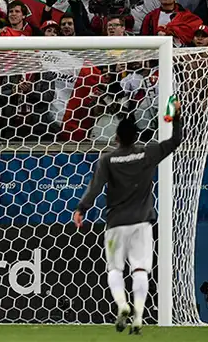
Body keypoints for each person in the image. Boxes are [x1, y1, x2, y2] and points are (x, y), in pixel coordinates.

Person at [74, 97, 182, 335]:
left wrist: (82, 208)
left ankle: (122, 305)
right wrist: (176, 116)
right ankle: (139, 315)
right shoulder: (147, 154)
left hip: (115, 224)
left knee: (114, 269)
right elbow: (176, 140)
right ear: (136, 137)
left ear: (116, 138)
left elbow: (95, 187)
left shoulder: (108, 159)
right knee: (140, 270)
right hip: (142, 223)